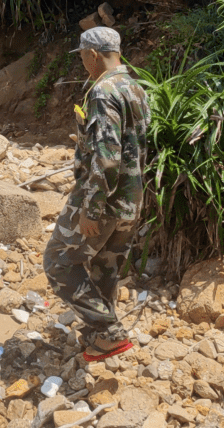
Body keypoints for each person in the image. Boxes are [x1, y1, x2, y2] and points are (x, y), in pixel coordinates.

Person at [43, 26, 150, 363]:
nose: (83, 64)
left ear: (92, 54)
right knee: (106, 265)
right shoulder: (135, 87)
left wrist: (91, 207)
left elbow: (107, 156)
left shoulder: (103, 92)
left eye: (83, 58)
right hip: (131, 199)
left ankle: (109, 332)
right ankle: (99, 337)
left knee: (58, 262)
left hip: (103, 199)